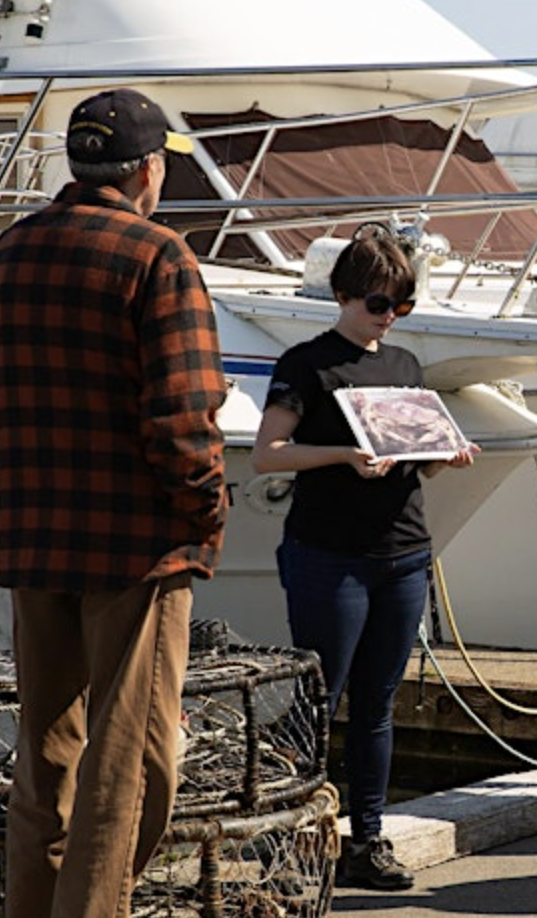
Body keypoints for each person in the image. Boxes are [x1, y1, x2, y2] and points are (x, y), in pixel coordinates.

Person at [0, 88, 229, 917]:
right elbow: (185, 419)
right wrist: (205, 514)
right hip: (136, 547)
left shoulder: (11, 250)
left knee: (46, 757)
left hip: (31, 542)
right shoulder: (158, 256)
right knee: (128, 765)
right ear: (149, 169)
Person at [251, 223, 478, 892]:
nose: (388, 317)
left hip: (403, 552)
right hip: (329, 555)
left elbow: (422, 469)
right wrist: (346, 455)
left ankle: (368, 839)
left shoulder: (405, 366)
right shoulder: (306, 363)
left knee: (378, 705)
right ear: (344, 295)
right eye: (378, 303)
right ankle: (286, 832)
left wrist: (444, 455)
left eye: (401, 306)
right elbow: (269, 453)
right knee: (316, 700)